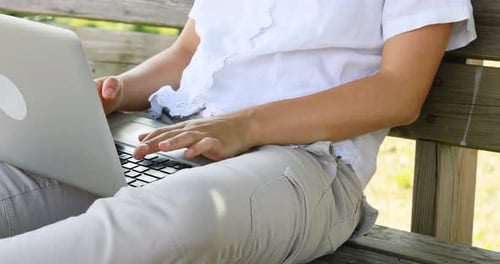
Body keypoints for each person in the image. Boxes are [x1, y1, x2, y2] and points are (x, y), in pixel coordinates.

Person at [0, 0, 476, 263]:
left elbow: (399, 92)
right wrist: (116, 91)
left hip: (305, 161)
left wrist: (245, 125)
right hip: (165, 136)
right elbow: (187, 54)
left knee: (182, 215)